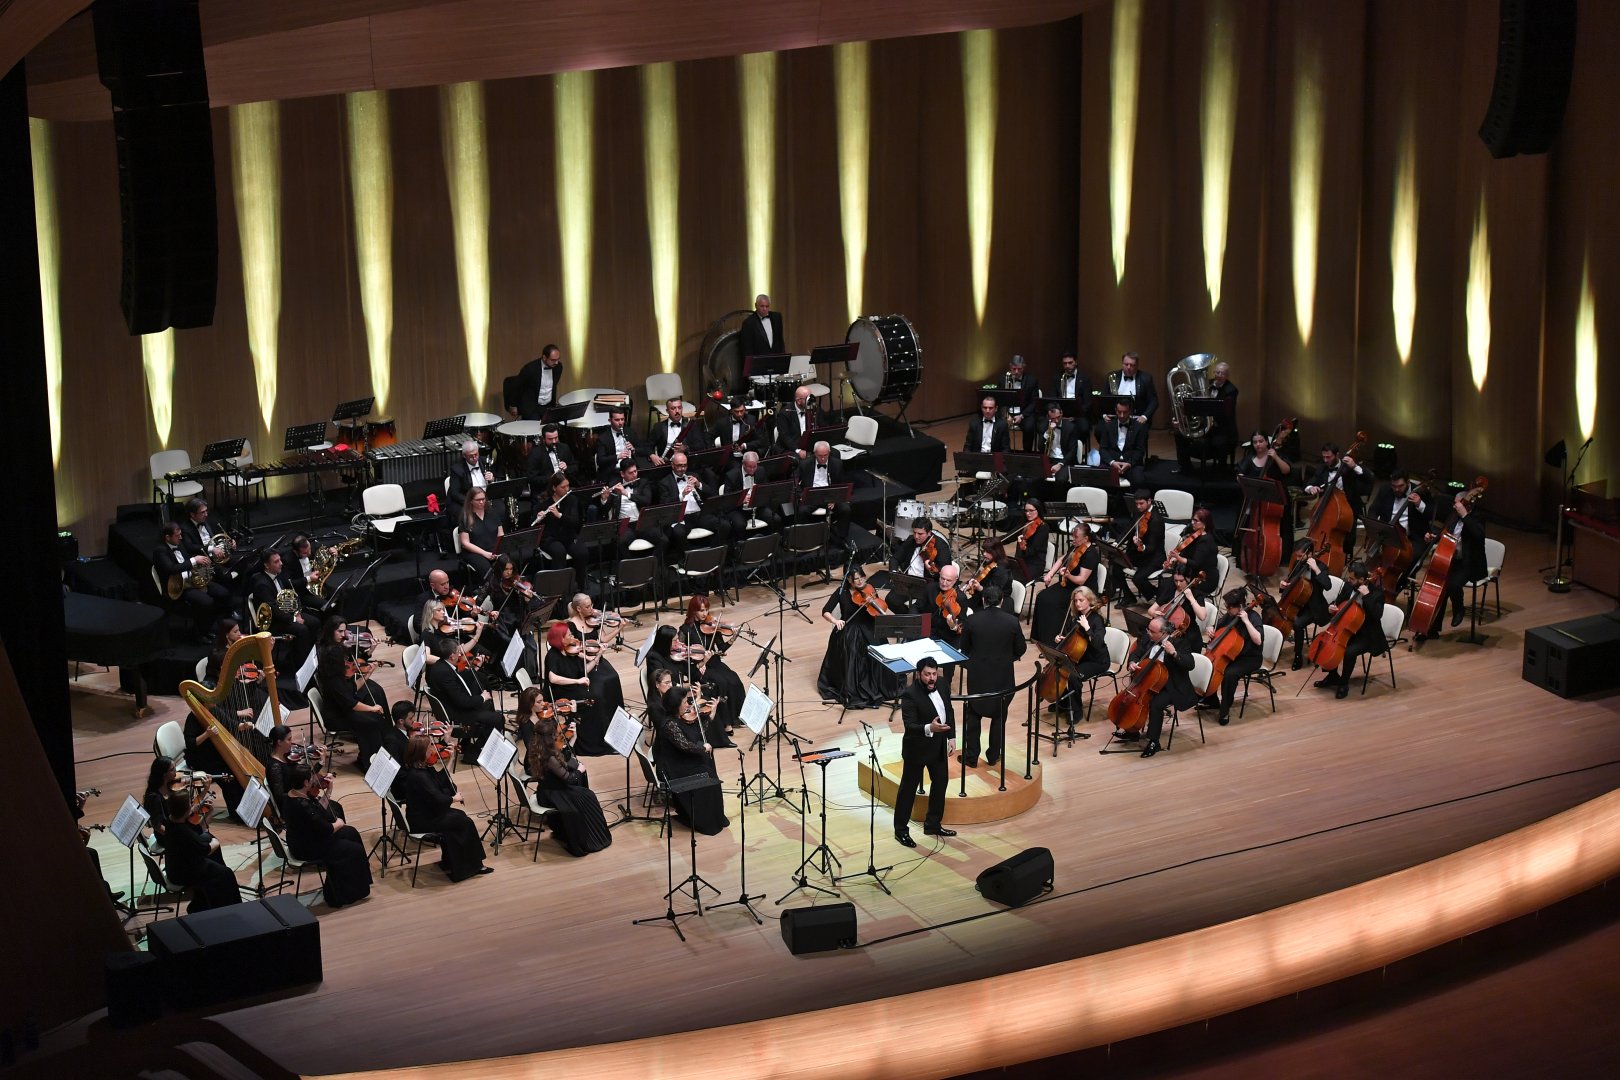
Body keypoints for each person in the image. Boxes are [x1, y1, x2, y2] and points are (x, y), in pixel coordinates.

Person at [394, 734, 492, 881]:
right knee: (465, 822)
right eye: (430, 747)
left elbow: (439, 781)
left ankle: (453, 863)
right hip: (422, 820)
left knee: (460, 817)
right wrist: (454, 798)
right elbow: (438, 799)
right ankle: (471, 866)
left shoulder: (421, 768)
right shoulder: (419, 776)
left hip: (426, 813)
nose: (433, 749)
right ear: (422, 752)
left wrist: (451, 759)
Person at [522, 706, 612, 857]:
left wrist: (573, 739)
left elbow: (563, 756)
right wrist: (579, 771)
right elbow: (569, 779)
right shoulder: (548, 757)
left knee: (586, 796)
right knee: (587, 797)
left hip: (546, 789)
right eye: (554, 734)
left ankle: (583, 835)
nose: (557, 736)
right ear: (548, 737)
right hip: (553, 794)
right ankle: (590, 840)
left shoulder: (537, 747)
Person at [281, 763, 372, 908]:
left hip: (308, 837)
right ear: (305, 782)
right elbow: (327, 829)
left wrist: (328, 791)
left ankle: (357, 884)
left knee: (351, 832)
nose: (314, 780)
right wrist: (339, 823)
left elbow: (318, 813)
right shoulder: (301, 805)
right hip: (307, 847)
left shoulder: (293, 795)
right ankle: (343, 894)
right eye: (311, 778)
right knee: (354, 850)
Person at [1116, 616, 1202, 758]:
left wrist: (1174, 653)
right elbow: (1136, 654)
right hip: (1150, 682)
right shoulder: (1148, 638)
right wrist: (1132, 662)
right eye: (1148, 629)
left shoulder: (1180, 642)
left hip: (1172, 686)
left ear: (1163, 633)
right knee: (1137, 699)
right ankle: (1133, 731)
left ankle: (1154, 742)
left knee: (1155, 704)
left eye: (1151, 631)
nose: (1148, 632)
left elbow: (1190, 664)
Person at [959, 586, 1026, 767]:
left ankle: (971, 757)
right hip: (1003, 677)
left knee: (973, 715)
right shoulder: (1012, 621)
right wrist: (1006, 659)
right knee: (999, 717)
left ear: (983, 600)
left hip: (978, 676)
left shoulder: (972, 620)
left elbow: (964, 649)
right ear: (1002, 601)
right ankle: (993, 756)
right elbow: (1021, 649)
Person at [817, 566, 901, 709]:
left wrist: (876, 606)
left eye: (862, 577)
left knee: (878, 651)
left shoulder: (870, 588)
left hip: (870, 627)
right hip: (850, 630)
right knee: (853, 652)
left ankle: (877, 685)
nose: (861, 581)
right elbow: (826, 611)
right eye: (857, 579)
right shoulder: (841, 591)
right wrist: (836, 621)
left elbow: (879, 608)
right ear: (849, 580)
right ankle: (855, 689)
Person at [893, 657, 955, 847]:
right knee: (908, 790)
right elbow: (910, 726)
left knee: (941, 782)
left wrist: (951, 736)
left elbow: (949, 710)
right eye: (927, 674)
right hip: (917, 749)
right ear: (919, 674)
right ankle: (901, 830)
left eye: (934, 674)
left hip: (938, 746)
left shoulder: (943, 684)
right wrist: (930, 728)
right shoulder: (910, 694)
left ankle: (933, 823)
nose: (932, 678)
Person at [314, 614, 389, 771]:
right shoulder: (332, 676)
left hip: (342, 707)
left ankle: (378, 752)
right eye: (340, 632)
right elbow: (351, 703)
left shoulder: (339, 672)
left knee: (375, 708)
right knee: (372, 721)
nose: (344, 635)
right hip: (336, 715)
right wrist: (372, 708)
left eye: (344, 631)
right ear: (330, 631)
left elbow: (352, 688)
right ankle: (369, 764)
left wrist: (368, 674)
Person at [651, 685, 729, 835]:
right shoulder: (670, 725)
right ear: (676, 706)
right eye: (685, 702)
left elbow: (695, 732)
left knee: (708, 764)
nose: (689, 704)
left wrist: (711, 714)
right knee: (707, 770)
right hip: (674, 767)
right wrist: (703, 748)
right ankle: (704, 820)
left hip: (680, 759)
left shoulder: (676, 718)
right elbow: (685, 746)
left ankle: (714, 816)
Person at [677, 595, 743, 747]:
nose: (704, 613)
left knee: (733, 679)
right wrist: (700, 661)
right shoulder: (685, 630)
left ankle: (736, 716)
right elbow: (682, 655)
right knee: (720, 682)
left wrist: (732, 639)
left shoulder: (712, 626)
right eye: (701, 610)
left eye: (706, 610)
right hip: (698, 666)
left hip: (714, 662)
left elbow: (719, 649)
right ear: (693, 611)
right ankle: (726, 723)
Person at [1313, 562, 1387, 699]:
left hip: (1367, 634)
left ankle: (1344, 683)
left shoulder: (1377, 594)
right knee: (1327, 644)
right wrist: (1332, 608)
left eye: (1352, 579)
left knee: (1349, 651)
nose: (1348, 580)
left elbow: (1377, 616)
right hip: (1347, 628)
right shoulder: (1348, 586)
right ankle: (1333, 676)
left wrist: (1366, 596)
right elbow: (1338, 602)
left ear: (1362, 580)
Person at [161, 792, 242, 912]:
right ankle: (230, 907)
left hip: (177, 865)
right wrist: (215, 842)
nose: (192, 805)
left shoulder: (171, 821)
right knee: (226, 873)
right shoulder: (183, 832)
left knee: (209, 843)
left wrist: (208, 812)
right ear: (185, 810)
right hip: (183, 874)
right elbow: (206, 850)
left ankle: (208, 900)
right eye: (190, 804)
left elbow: (198, 829)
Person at [1420, 491, 1487, 638]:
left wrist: (1465, 515)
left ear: (1465, 503)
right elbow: (1447, 535)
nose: (1454, 505)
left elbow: (1478, 534)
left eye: (1456, 503)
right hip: (1450, 559)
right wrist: (1433, 537)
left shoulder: (1477, 517)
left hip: (1468, 563)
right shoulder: (1453, 515)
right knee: (1439, 588)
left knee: (1453, 585)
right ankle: (1432, 629)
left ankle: (1459, 608)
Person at [562, 593, 628, 740]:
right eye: (587, 607)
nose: (592, 609)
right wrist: (587, 657)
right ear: (578, 608)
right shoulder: (570, 625)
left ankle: (616, 725)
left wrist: (619, 628)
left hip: (597, 659)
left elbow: (603, 639)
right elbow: (570, 650)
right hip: (582, 664)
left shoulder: (594, 621)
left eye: (591, 605)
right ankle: (602, 728)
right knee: (599, 688)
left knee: (613, 677)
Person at [543, 622, 614, 755]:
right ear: (561, 639)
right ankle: (588, 744)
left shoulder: (570, 650)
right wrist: (577, 681)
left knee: (599, 695)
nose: (573, 636)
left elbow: (584, 670)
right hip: (560, 693)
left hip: (573, 688)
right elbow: (553, 678)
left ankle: (602, 738)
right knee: (594, 700)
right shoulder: (552, 656)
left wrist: (598, 656)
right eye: (569, 634)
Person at [424, 635, 501, 756]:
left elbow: (458, 679)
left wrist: (475, 668)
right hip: (458, 715)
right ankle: (473, 752)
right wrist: (482, 697)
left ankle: (468, 744)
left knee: (482, 684)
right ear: (452, 656)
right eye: (458, 652)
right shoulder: (444, 673)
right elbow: (462, 701)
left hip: (453, 706)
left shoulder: (441, 665)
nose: (460, 655)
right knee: (498, 719)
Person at [1047, 585, 1111, 724]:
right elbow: (1073, 639)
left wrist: (1087, 627)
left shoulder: (1096, 620)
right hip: (1080, 657)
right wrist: (1062, 638)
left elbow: (1098, 643)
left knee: (1073, 677)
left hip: (1097, 660)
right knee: (1059, 667)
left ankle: (1077, 711)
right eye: (1076, 601)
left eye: (1081, 600)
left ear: (1089, 600)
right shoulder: (1076, 617)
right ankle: (1064, 703)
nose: (1078, 603)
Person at [153, 521, 229, 630]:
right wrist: (194, 560)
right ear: (167, 537)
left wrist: (201, 564)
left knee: (222, 593)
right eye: (177, 535)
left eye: (180, 535)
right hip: (178, 587)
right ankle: (200, 632)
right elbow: (172, 569)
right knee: (207, 602)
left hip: (191, 580)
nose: (180, 537)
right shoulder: (160, 550)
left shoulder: (180, 543)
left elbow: (189, 559)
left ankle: (214, 625)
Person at [1203, 589, 1265, 724]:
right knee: (1208, 666)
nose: (1227, 609)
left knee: (1230, 674)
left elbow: (1258, 640)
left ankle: (1224, 711)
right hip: (1232, 655)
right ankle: (1211, 700)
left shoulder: (1254, 617)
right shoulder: (1231, 615)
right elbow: (1217, 625)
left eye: (1229, 607)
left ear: (1240, 606)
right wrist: (1211, 628)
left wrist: (1247, 622)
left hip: (1250, 658)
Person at [1303, 443, 1370, 566]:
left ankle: (1343, 560)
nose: (1326, 460)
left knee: (1347, 539)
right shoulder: (1322, 469)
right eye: (1324, 457)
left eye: (1329, 457)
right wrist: (1311, 488)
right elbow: (1308, 484)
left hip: (1348, 508)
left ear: (1337, 455)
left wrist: (1354, 466)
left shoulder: (1349, 468)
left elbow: (1369, 478)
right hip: (1328, 507)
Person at [1032, 522, 1099, 644]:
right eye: (1073, 536)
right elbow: (1062, 559)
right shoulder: (1075, 547)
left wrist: (1068, 575)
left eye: (1076, 537)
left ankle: (1054, 641)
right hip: (1068, 584)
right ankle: (1040, 637)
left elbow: (1081, 580)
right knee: (1042, 596)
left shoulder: (1091, 554)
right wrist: (1050, 574)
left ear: (1086, 538)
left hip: (1082, 589)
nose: (1073, 539)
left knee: (1053, 603)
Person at [249, 548, 316, 669]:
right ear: (266, 565)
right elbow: (273, 610)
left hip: (287, 614)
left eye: (280, 560)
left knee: (314, 622)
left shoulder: (279, 574)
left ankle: (307, 656)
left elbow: (293, 595)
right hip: (273, 621)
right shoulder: (261, 584)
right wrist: (294, 619)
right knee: (302, 630)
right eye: (276, 561)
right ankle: (302, 667)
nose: (281, 563)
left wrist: (297, 613)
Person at [1173, 360, 1239, 473]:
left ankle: (1220, 470)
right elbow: (1194, 406)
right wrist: (1183, 420)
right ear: (1213, 372)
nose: (1218, 375)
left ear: (1227, 375)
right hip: (1204, 425)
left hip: (1221, 428)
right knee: (1179, 433)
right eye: (1217, 372)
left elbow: (1227, 413)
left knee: (1219, 443)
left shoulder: (1231, 390)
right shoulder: (1207, 384)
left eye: (1222, 373)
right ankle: (1185, 467)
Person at [265, 723, 343, 820]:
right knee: (332, 814)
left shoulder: (287, 757)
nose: (292, 742)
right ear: (279, 742)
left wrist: (321, 762)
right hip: (293, 806)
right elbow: (280, 797)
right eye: (289, 739)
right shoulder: (274, 767)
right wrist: (303, 794)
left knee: (337, 807)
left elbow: (305, 776)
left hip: (300, 797)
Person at [1235, 429, 1295, 551]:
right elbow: (1239, 472)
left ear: (1267, 442)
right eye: (1255, 442)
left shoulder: (1275, 454)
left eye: (1261, 441)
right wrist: (1240, 477)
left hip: (1273, 500)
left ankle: (1274, 551)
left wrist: (1276, 457)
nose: (1258, 444)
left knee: (1275, 526)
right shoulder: (1250, 457)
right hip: (1255, 499)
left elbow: (1286, 470)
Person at [665, 450, 734, 554]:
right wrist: (682, 495)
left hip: (700, 514)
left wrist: (699, 484)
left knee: (725, 525)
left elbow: (712, 493)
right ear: (672, 465)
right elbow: (665, 503)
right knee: (677, 532)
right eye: (679, 466)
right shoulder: (665, 482)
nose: (682, 469)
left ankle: (712, 554)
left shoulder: (693, 475)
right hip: (683, 518)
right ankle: (688, 559)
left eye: (684, 465)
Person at [1287, 543, 1334, 671]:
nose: (1297, 558)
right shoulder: (1298, 564)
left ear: (1310, 554)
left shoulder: (1321, 567)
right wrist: (1284, 586)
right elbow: (1291, 581)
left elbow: (1328, 586)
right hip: (1299, 602)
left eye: (1300, 556)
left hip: (1314, 606)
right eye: (1296, 555)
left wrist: (1316, 570)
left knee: (1297, 624)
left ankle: (1298, 656)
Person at [795, 441, 850, 547]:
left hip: (830, 496)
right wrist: (802, 496)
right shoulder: (804, 464)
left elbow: (842, 485)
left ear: (829, 453)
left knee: (845, 509)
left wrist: (835, 498)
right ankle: (807, 540)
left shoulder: (837, 464)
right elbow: (796, 484)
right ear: (815, 454)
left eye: (826, 455)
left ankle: (841, 538)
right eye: (820, 456)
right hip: (813, 496)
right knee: (802, 511)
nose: (823, 459)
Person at [1121, 490, 1166, 605]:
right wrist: (1117, 543)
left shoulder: (1157, 520)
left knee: (1138, 579)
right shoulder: (1138, 513)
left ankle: (1159, 595)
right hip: (1139, 554)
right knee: (1114, 564)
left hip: (1154, 558)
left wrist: (1141, 545)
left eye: (1141, 503)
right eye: (1136, 504)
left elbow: (1152, 547)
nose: (1138, 506)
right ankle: (1128, 597)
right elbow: (1129, 529)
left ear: (1149, 501)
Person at [721, 450, 782, 536]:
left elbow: (766, 491)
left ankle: (768, 542)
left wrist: (758, 497)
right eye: (749, 467)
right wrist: (741, 499)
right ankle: (741, 546)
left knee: (775, 519)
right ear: (743, 463)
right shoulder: (731, 475)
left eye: (755, 466)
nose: (752, 470)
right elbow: (727, 499)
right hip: (739, 509)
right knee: (740, 525)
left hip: (757, 508)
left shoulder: (761, 471)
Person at [1164, 507, 1220, 599]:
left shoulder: (1206, 540)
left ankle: (1179, 610)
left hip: (1204, 578)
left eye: (1196, 521)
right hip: (1192, 573)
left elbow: (1195, 563)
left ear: (1204, 523)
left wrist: (1178, 558)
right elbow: (1185, 553)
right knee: (1168, 583)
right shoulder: (1195, 535)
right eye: (1192, 520)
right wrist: (1173, 560)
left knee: (1171, 585)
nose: (1192, 523)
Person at [1095, 399, 1150, 488]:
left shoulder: (1139, 427)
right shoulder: (1108, 426)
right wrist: (1112, 462)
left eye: (1125, 412)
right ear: (1116, 411)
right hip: (1112, 463)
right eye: (1119, 412)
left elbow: (1140, 450)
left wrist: (1129, 463)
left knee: (1139, 481)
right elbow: (1103, 449)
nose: (1122, 415)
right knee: (1099, 479)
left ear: (1130, 411)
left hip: (1131, 464)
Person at [457, 488, 504, 581]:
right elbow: (465, 543)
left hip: (493, 549)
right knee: (488, 571)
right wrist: (485, 553)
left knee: (507, 565)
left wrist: (498, 550)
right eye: (478, 500)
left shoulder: (492, 513)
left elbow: (501, 534)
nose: (482, 502)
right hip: (475, 553)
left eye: (483, 499)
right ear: (470, 501)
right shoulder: (465, 517)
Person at [512, 343, 564, 420]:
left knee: (551, 428)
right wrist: (513, 405)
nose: (556, 362)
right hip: (532, 406)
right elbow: (517, 386)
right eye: (553, 360)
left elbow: (553, 385)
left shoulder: (558, 367)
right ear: (544, 357)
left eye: (558, 359)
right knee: (534, 429)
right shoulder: (530, 368)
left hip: (548, 406)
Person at [1105, 351, 1159, 425]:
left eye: (1132, 365)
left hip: (1137, 418)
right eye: (1126, 364)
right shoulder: (1112, 376)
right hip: (1115, 418)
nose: (1129, 367)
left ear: (1137, 365)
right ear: (1122, 363)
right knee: (1099, 430)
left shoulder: (1146, 378)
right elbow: (1104, 397)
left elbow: (1154, 401)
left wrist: (1145, 416)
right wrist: (1104, 415)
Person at [999, 355, 1041, 448]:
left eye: (1019, 369)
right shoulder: (1002, 379)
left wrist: (1022, 416)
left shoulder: (1032, 380)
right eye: (1014, 369)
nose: (1016, 372)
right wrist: (1005, 414)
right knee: (998, 425)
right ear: (1010, 367)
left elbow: (1034, 402)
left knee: (1029, 427)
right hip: (1007, 413)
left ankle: (1027, 454)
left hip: (1024, 413)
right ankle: (1004, 452)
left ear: (1024, 367)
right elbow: (1000, 400)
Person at [593, 406, 643, 482]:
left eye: (622, 419)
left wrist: (633, 449)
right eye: (617, 420)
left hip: (631, 470)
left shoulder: (629, 432)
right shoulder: (603, 438)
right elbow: (600, 460)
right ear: (610, 420)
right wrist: (617, 457)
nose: (620, 423)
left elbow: (642, 448)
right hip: (613, 472)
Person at [446, 439, 493, 518]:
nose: (475, 458)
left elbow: (499, 481)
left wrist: (492, 479)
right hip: (467, 501)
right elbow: (455, 493)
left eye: (476, 454)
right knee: (467, 516)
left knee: (500, 508)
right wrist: (472, 502)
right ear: (464, 455)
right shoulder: (457, 469)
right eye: (471, 456)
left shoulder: (486, 462)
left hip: (486, 499)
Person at [524, 422, 578, 491]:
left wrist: (566, 468)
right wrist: (551, 478)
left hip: (565, 487)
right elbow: (531, 478)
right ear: (543, 439)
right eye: (550, 439)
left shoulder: (564, 448)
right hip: (546, 490)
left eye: (556, 438)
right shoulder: (535, 453)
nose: (554, 441)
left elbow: (575, 467)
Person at [774, 385, 821, 460]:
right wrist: (798, 450)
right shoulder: (784, 413)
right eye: (808, 399)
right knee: (800, 460)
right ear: (799, 400)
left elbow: (822, 427)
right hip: (790, 448)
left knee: (833, 453)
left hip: (810, 445)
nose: (811, 401)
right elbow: (785, 437)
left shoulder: (815, 409)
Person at [1007, 501, 1051, 582]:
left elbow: (1033, 551)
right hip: (1021, 561)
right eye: (1026, 511)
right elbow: (1010, 536)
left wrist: (1023, 548)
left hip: (1035, 564)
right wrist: (997, 540)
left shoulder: (1043, 527)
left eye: (1031, 511)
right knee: (1004, 573)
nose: (1028, 513)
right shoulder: (1025, 523)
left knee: (1013, 579)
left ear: (1038, 510)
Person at [738, 292, 785, 360]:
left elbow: (780, 341)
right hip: (759, 362)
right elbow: (747, 349)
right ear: (756, 305)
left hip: (776, 360)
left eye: (767, 306)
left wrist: (783, 359)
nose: (765, 309)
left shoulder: (777, 317)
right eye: (762, 306)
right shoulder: (748, 323)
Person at [646, 396, 690, 468]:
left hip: (685, 465)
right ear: (667, 411)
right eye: (673, 408)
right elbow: (647, 446)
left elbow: (701, 445)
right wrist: (652, 455)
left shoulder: (690, 426)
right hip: (665, 465)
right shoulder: (658, 427)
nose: (677, 411)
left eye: (679, 408)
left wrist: (686, 448)